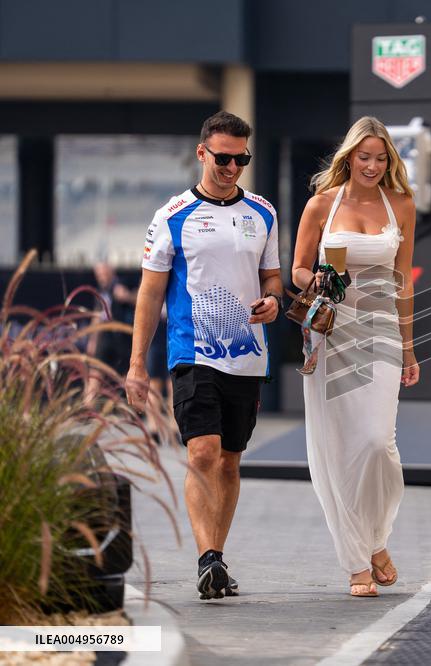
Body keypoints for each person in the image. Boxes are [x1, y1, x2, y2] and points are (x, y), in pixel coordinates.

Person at [126, 111, 282, 600]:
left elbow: (272, 277)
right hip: (192, 352)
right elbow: (149, 296)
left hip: (248, 355)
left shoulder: (264, 213)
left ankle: (216, 557)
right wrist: (135, 365)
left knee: (231, 462)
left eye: (241, 159)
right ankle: (206, 558)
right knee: (203, 451)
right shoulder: (171, 215)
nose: (232, 167)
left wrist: (274, 300)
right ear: (201, 154)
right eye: (223, 158)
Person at [291, 116, 419, 597]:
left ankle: (377, 540)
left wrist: (409, 347)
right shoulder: (322, 204)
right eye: (363, 157)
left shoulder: (402, 205)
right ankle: (358, 563)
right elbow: (299, 269)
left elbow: (403, 281)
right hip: (332, 333)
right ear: (348, 157)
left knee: (376, 444)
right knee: (340, 447)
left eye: (380, 157)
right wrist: (320, 280)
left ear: (390, 160)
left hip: (382, 329)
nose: (371, 165)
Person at [86, 262, 136, 401]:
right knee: (96, 372)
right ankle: (87, 408)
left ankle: (135, 408)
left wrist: (127, 296)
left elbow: (146, 298)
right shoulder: (101, 290)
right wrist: (92, 340)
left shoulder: (124, 283)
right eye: (98, 274)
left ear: (111, 271)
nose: (100, 277)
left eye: (103, 273)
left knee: (128, 376)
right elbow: (97, 317)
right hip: (105, 337)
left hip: (123, 337)